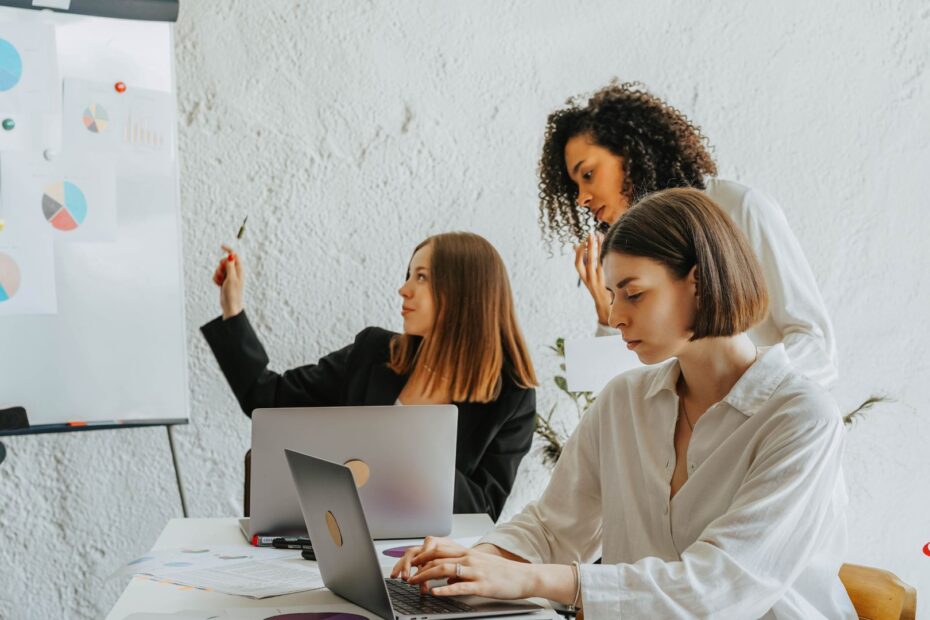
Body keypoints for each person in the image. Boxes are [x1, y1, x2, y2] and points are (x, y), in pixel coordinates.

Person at [392, 189, 856, 619]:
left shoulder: (800, 418)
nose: (615, 317)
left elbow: (718, 590)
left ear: (698, 281)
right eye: (612, 296)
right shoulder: (624, 401)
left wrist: (529, 578)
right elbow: (555, 527)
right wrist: (473, 561)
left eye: (633, 294)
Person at [201, 232, 538, 521]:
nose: (403, 289)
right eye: (409, 274)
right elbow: (266, 398)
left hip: (426, 561)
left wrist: (411, 447)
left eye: (421, 277)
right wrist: (233, 308)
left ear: (465, 292)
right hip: (341, 540)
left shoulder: (511, 397)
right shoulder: (373, 353)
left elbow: (484, 512)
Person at [538, 81, 838, 387]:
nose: (581, 198)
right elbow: (623, 390)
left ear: (630, 154)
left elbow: (816, 347)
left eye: (588, 175)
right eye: (575, 186)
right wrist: (607, 311)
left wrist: (739, 393)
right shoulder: (629, 254)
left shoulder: (739, 208)